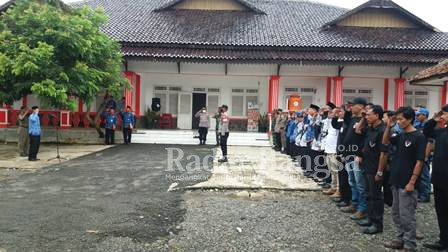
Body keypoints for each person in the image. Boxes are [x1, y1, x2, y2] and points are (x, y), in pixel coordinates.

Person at [383, 106, 426, 251]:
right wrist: (389, 127)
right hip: (395, 179)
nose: (399, 122)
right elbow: (385, 142)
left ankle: (410, 244)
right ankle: (400, 238)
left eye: (401, 119)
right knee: (396, 213)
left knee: (407, 215)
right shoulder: (401, 135)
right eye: (398, 119)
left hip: (407, 182)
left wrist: (412, 182)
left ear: (410, 119)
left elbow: (420, 161)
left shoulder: (419, 137)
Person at [355, 105, 386, 234]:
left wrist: (379, 171)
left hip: (375, 168)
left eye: (369, 115)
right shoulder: (370, 129)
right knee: (368, 194)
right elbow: (358, 130)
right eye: (366, 115)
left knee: (376, 196)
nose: (366, 117)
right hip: (367, 165)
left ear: (377, 116)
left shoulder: (383, 130)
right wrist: (363, 118)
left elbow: (384, 154)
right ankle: (369, 217)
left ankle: (377, 224)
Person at [423, 105, 448, 251]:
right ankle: (443, 240)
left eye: (444, 114)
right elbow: (427, 131)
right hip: (439, 180)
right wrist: (434, 119)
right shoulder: (442, 131)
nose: (442, 117)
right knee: (441, 212)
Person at [339, 98, 368, 221]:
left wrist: (363, 116)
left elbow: (362, 136)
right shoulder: (352, 119)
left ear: (361, 107)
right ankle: (354, 203)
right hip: (348, 154)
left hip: (357, 155)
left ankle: (362, 209)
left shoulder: (364, 121)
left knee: (360, 184)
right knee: (352, 182)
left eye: (353, 105)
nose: (350, 107)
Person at [323, 105, 341, 197]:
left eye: (333, 112)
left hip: (334, 150)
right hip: (328, 149)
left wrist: (335, 117)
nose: (330, 114)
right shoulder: (329, 122)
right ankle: (333, 187)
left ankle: (338, 189)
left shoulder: (339, 122)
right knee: (331, 170)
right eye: (330, 112)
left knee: (336, 170)